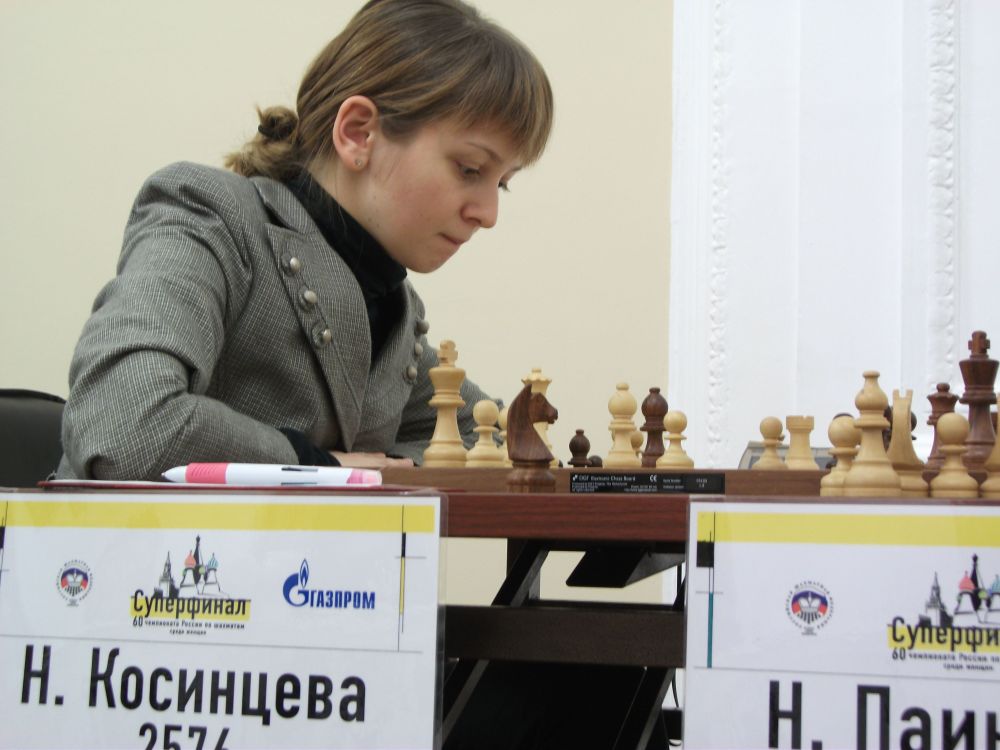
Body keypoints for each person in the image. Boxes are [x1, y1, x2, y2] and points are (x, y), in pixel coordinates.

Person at [57, 0, 553, 481]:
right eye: (469, 168)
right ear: (358, 134)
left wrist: (380, 470)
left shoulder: (392, 306)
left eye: (502, 183)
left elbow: (490, 437)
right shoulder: (210, 215)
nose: (488, 214)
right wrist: (319, 466)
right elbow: (123, 422)